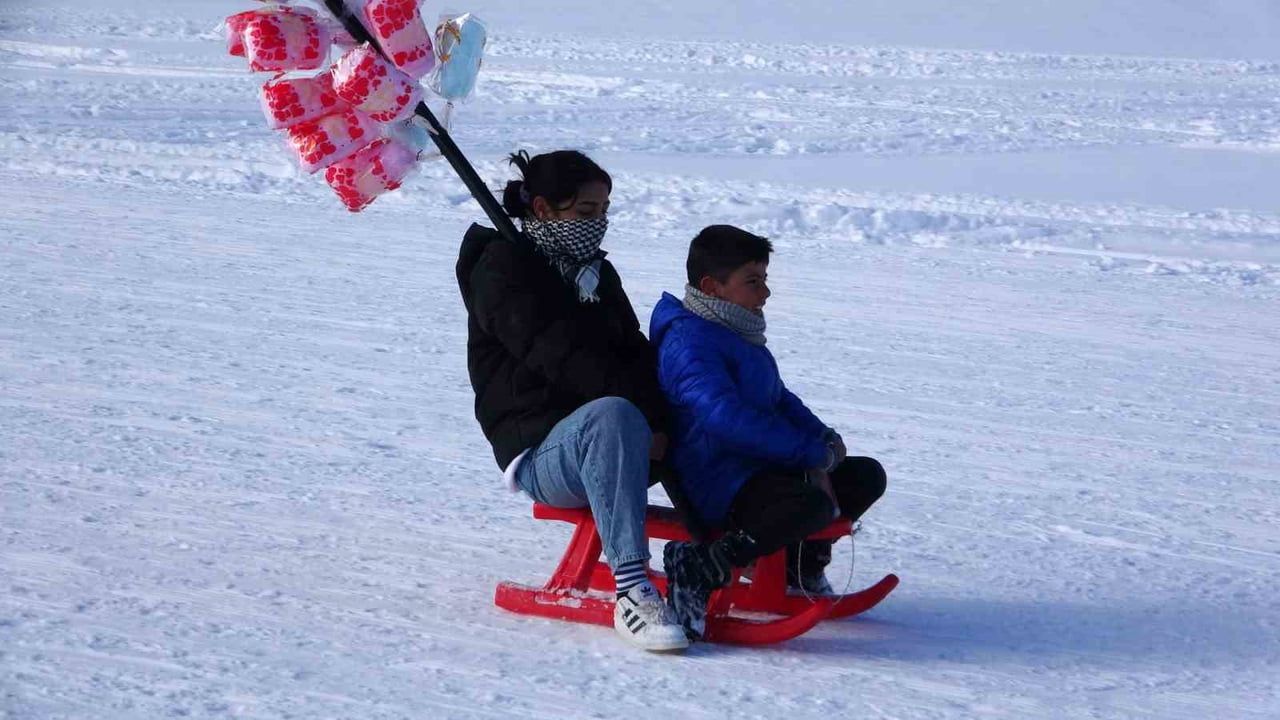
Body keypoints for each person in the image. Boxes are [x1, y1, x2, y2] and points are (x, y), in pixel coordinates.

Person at [455, 149, 688, 651]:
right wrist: (639, 414)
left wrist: (663, 418)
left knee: (691, 404)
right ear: (542, 209)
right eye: (586, 213)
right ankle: (633, 591)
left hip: (620, 438)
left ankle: (740, 543)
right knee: (612, 413)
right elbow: (559, 355)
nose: (599, 224)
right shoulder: (502, 271)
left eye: (604, 211)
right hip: (543, 450)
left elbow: (635, 353)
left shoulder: (594, 274)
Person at [648, 224, 887, 639]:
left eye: (764, 280)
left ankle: (799, 568)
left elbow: (777, 398)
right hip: (716, 479)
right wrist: (807, 454)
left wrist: (823, 438)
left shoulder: (734, 329)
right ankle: (700, 566)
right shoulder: (689, 342)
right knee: (810, 504)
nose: (765, 294)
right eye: (752, 282)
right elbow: (723, 417)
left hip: (756, 469)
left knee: (865, 476)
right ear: (713, 286)